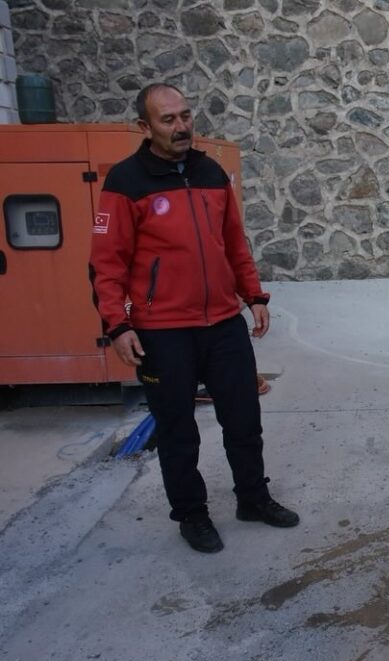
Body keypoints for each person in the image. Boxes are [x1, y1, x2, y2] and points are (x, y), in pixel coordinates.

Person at [89, 83, 299, 554]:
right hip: (163, 331)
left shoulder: (210, 172)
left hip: (223, 323)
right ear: (145, 127)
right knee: (178, 430)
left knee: (244, 420)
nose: (181, 126)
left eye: (186, 116)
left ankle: (253, 498)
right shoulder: (126, 181)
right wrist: (118, 325)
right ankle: (192, 514)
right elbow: (107, 263)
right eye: (168, 119)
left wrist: (254, 296)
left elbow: (233, 242)